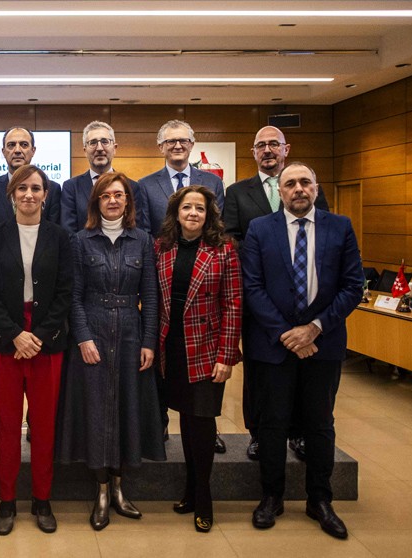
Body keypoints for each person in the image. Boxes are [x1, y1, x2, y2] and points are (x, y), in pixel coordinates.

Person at [243, 162, 363, 540]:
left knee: (320, 424)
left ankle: (320, 500)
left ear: (316, 187)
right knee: (272, 423)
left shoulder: (339, 226)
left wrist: (313, 329)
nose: (298, 189)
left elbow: (352, 285)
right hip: (274, 346)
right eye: (290, 183)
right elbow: (253, 286)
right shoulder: (260, 229)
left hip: (322, 345)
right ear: (280, 190)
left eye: (305, 182)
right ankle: (271, 496)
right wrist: (286, 334)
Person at [55, 172, 166, 531]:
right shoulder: (80, 241)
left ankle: (120, 488)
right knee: (97, 412)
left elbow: (150, 296)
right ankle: (101, 491)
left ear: (128, 202)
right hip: (93, 334)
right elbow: (72, 296)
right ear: (96, 202)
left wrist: (149, 341)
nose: (113, 201)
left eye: (119, 195)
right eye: (106, 196)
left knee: (125, 411)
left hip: (132, 336)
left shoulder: (143, 240)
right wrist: (83, 337)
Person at [223, 125, 329, 461]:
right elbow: (230, 236)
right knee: (259, 372)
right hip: (259, 298)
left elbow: (322, 231)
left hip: (304, 301)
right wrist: (266, 253)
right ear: (253, 152)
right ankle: (258, 433)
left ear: (286, 149)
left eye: (274, 144)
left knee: (302, 369)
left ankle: (297, 433)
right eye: (261, 146)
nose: (268, 150)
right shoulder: (237, 192)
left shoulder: (308, 188)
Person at [0, 164, 72, 535]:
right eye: (22, 189)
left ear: (46, 195)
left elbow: (66, 292)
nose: (29, 195)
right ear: (11, 195)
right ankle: (6, 501)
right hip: (6, 340)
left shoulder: (60, 237)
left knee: (45, 425)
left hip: (47, 341)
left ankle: (42, 499)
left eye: (36, 188)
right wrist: (15, 333)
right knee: (6, 426)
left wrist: (40, 335)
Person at [155, 185, 242, 533]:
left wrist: (226, 356)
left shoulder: (223, 251)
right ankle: (190, 491)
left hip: (205, 351)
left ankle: (203, 497)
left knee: (202, 424)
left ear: (209, 216)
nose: (193, 213)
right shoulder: (161, 248)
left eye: (200, 209)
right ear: (177, 213)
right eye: (187, 207)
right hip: (171, 348)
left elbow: (234, 305)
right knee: (185, 424)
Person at [138, 119, 226, 452]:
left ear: (192, 144)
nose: (177, 145)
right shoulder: (146, 186)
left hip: (204, 280)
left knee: (201, 373)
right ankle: (158, 430)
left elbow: (219, 227)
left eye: (184, 140)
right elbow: (147, 234)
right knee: (162, 365)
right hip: (165, 277)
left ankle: (206, 430)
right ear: (160, 146)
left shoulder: (212, 182)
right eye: (171, 141)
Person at [0, 126, 62, 452]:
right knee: (5, 408)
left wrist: (39, 333)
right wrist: (13, 330)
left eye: (23, 144)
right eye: (10, 144)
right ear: (2, 152)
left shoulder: (53, 190)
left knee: (44, 418)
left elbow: (57, 259)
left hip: (43, 315)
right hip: (5, 311)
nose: (17, 149)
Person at [61, 121, 150, 234]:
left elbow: (136, 229)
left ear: (115, 148)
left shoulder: (132, 186)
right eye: (93, 143)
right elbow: (68, 232)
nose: (99, 148)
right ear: (85, 151)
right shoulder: (71, 187)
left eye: (104, 141)